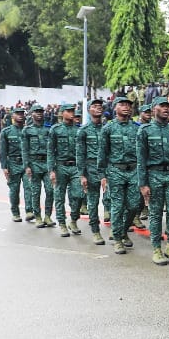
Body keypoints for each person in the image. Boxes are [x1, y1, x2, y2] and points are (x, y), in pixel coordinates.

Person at [137, 97, 169, 266]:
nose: (167, 109)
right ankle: (156, 249)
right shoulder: (145, 131)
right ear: (154, 109)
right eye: (163, 106)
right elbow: (141, 159)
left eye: (168, 106)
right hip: (154, 175)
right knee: (156, 213)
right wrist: (143, 184)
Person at [98, 98, 143, 254]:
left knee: (134, 205)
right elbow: (102, 153)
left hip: (133, 171)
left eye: (129, 105)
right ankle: (117, 239)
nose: (126, 107)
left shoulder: (137, 129)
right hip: (115, 171)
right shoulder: (108, 129)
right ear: (114, 108)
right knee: (117, 207)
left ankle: (123, 230)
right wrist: (103, 175)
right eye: (122, 105)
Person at [47, 104, 83, 237]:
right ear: (62, 113)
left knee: (79, 195)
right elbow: (50, 151)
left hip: (75, 167)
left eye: (73, 111)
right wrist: (51, 170)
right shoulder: (55, 130)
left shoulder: (79, 130)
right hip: (60, 166)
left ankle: (73, 220)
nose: (72, 113)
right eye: (68, 111)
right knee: (59, 196)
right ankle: (62, 223)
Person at [77, 99, 107, 244]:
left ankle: (118, 230)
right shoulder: (83, 131)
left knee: (113, 201)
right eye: (95, 106)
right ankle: (95, 231)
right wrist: (82, 174)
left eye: (100, 106)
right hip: (90, 169)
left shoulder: (108, 128)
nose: (98, 108)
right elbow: (80, 154)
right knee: (93, 202)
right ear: (89, 110)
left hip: (108, 169)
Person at [21, 105, 55, 228]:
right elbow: (24, 149)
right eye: (37, 112)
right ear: (32, 114)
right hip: (34, 163)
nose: (39, 114)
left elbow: (52, 149)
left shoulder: (49, 130)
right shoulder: (27, 130)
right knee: (35, 192)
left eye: (41, 111)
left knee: (50, 191)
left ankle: (47, 216)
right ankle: (38, 217)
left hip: (47, 163)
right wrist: (27, 166)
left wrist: (52, 166)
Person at [0, 108, 29, 222]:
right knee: (14, 190)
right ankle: (15, 213)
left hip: (26, 164)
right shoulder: (6, 132)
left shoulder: (28, 131)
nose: (20, 115)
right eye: (18, 114)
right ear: (13, 116)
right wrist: (4, 167)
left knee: (29, 188)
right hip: (13, 164)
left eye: (22, 114)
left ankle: (29, 211)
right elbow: (3, 151)